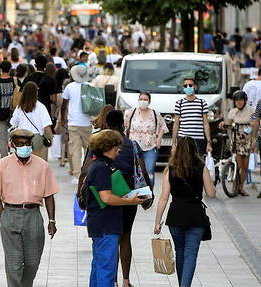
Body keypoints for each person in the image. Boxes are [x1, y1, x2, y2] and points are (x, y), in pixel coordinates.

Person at [0, 128, 58, 287]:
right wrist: (3, 216)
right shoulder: (2, 166)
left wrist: (52, 220)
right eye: (20, 144)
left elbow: (49, 195)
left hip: (33, 215)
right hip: (10, 213)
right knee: (14, 264)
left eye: (26, 144)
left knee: (32, 262)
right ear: (12, 145)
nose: (24, 147)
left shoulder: (42, 166)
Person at [85, 130, 146, 286]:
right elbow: (106, 197)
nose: (119, 151)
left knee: (98, 266)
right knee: (107, 269)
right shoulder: (102, 168)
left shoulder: (98, 165)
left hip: (100, 223)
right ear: (108, 147)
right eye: (116, 147)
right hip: (106, 224)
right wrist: (131, 201)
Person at [154, 137, 216, 287]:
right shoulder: (202, 168)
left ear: (177, 149)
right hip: (196, 217)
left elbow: (163, 197)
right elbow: (211, 193)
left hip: (176, 217)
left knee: (180, 252)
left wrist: (157, 222)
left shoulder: (171, 169)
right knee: (190, 255)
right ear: (195, 150)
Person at [106, 110, 153, 287]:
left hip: (107, 195)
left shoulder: (102, 144)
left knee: (111, 238)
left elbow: (87, 168)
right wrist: (148, 194)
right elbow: (142, 169)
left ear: (108, 125)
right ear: (123, 125)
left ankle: (114, 281)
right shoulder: (131, 144)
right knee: (126, 237)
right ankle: (126, 281)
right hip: (129, 196)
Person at [124, 92, 168, 187]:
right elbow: (125, 127)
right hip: (133, 146)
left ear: (149, 101)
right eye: (141, 99)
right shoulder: (130, 112)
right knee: (133, 170)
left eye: (145, 99)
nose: (143, 101)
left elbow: (163, 126)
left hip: (150, 146)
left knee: (149, 171)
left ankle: (149, 193)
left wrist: (159, 138)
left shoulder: (155, 114)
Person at [59, 65, 94, 182]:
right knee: (88, 150)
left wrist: (63, 119)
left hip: (73, 122)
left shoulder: (69, 87)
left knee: (75, 149)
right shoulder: (90, 86)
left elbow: (64, 105)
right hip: (87, 122)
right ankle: (88, 173)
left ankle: (78, 175)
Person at [218, 90, 255, 196]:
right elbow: (229, 124)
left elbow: (255, 125)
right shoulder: (232, 112)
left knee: (245, 165)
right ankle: (235, 186)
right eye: (236, 100)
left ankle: (241, 187)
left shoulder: (251, 111)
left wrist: (254, 139)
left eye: (241, 100)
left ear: (245, 100)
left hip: (247, 139)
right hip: (236, 139)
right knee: (238, 164)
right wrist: (223, 124)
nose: (238, 102)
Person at [10, 82, 53, 160]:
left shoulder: (19, 107)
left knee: (24, 162)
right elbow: (46, 126)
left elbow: (13, 123)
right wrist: (50, 138)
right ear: (35, 93)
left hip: (22, 138)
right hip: (37, 138)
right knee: (39, 164)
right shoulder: (41, 107)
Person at [172, 78, 212, 156]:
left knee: (197, 164)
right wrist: (174, 143)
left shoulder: (202, 103)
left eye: (190, 85)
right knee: (184, 164)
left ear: (195, 87)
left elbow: (206, 123)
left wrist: (209, 141)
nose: (188, 87)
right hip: (183, 139)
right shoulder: (179, 103)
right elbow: (176, 124)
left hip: (198, 139)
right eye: (185, 85)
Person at [0, 61, 16, 159]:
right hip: (13, 113)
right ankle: (16, 157)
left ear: (0, 69)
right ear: (10, 69)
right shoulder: (15, 81)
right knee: (15, 137)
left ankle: (5, 159)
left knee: (3, 139)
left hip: (0, 113)